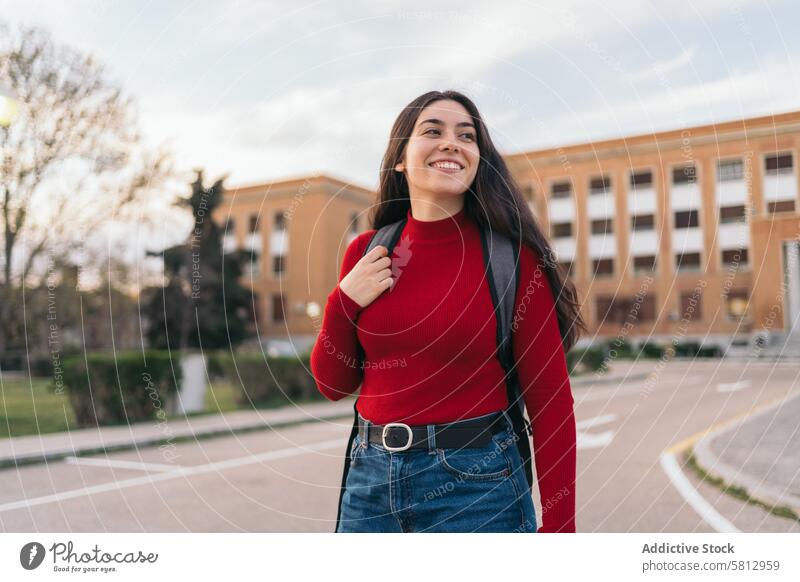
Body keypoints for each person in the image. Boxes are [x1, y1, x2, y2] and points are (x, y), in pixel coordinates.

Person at [311, 89, 586, 533]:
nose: (451, 143)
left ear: (479, 158)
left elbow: (551, 402)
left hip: (478, 487)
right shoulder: (368, 252)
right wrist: (342, 302)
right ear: (400, 158)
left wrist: (560, 529)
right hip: (369, 483)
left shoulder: (511, 261)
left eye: (467, 135)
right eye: (432, 131)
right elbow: (331, 384)